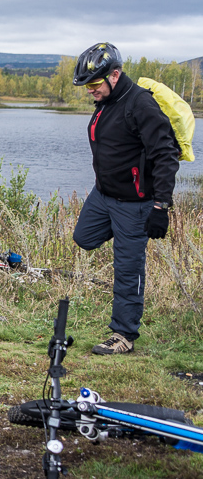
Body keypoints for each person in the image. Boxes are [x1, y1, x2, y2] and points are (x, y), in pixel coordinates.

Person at [71, 43, 179, 355]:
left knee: (128, 268)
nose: (90, 91)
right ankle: (125, 235)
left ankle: (124, 335)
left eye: (93, 84)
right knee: (84, 237)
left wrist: (161, 206)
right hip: (104, 195)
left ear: (114, 75)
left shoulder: (140, 105)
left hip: (135, 203)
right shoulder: (107, 100)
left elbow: (166, 154)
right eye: (87, 86)